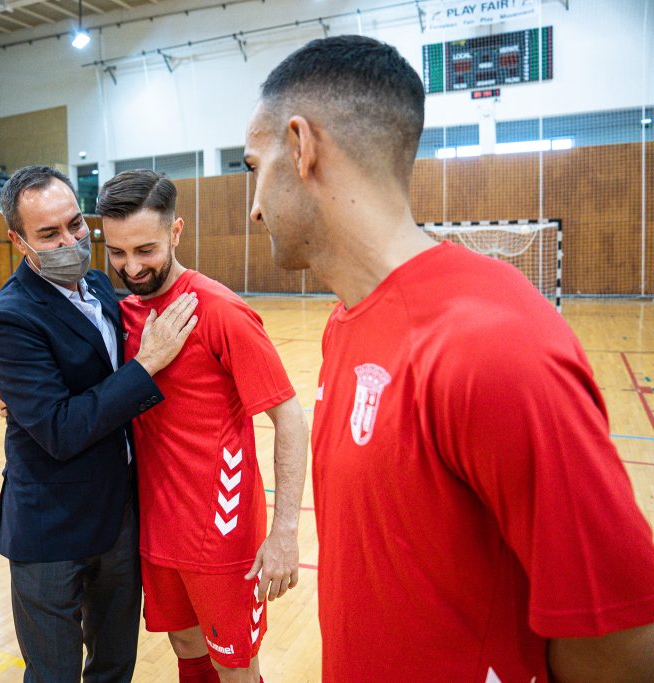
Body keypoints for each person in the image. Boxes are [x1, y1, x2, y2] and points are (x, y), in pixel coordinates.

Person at [243, 34, 654, 681]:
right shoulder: (344, 323)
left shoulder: (494, 344)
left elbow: (622, 641)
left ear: (301, 147)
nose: (255, 205)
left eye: (252, 166)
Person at [0, 165, 198, 683]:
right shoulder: (12, 317)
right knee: (55, 673)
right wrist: (144, 366)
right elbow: (59, 430)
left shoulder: (101, 286)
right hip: (51, 525)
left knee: (114, 663)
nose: (70, 240)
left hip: (118, 515)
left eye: (76, 225)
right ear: (19, 242)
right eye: (49, 234)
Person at [97, 170, 308, 683]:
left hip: (221, 530)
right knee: (187, 646)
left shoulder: (219, 310)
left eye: (145, 249)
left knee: (233, 665)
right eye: (117, 252)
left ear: (176, 232)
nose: (131, 266)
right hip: (156, 525)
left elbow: (291, 419)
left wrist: (284, 532)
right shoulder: (122, 311)